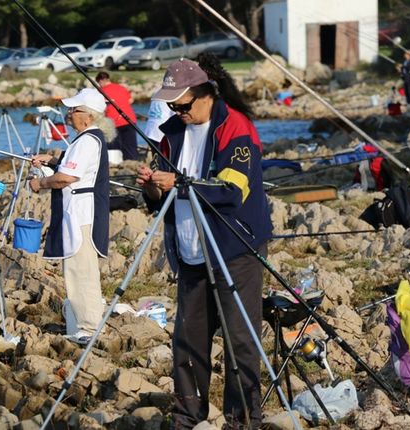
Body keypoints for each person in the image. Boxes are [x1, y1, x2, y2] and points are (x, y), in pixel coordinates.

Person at [136, 55, 272, 429]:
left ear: (206, 94)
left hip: (234, 250)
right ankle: (187, 416)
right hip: (191, 252)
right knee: (188, 340)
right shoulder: (171, 132)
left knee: (239, 340)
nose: (178, 111)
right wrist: (151, 188)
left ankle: (243, 419)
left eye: (183, 104)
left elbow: (232, 191)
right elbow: (162, 198)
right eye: (172, 105)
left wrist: (177, 183)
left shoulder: (236, 128)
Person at [28, 88, 115, 344]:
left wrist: (40, 184)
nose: (69, 113)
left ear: (88, 116)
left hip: (81, 215)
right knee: (78, 270)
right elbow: (71, 167)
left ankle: (89, 329)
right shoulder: (88, 139)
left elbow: (67, 178)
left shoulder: (87, 141)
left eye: (74, 110)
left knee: (82, 272)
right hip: (80, 213)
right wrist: (52, 160)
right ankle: (86, 324)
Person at [96, 72, 139, 160]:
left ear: (100, 81)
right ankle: (133, 164)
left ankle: (117, 164)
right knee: (130, 146)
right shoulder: (121, 87)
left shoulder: (101, 91)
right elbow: (131, 100)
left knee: (114, 147)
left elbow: (100, 108)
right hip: (129, 119)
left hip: (114, 122)